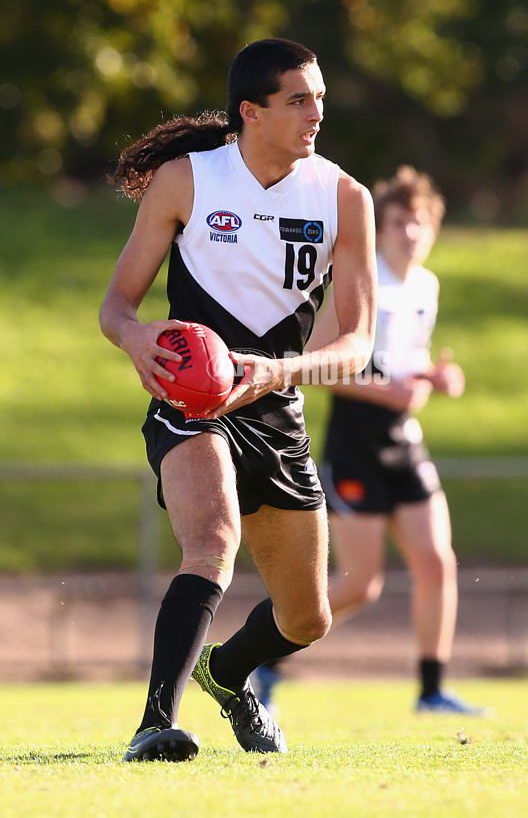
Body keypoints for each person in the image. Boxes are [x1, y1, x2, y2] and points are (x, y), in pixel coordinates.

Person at [99, 38, 377, 762]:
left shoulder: (345, 196)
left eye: (318, 96)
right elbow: (117, 307)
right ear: (251, 112)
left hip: (277, 409)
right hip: (189, 403)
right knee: (212, 541)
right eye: (298, 99)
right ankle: (154, 723)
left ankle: (225, 672)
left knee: (308, 618)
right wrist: (133, 341)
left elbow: (357, 346)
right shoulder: (185, 180)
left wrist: (277, 373)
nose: (317, 111)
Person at [254, 166, 488, 715]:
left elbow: (406, 369)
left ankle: (431, 691)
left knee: (437, 563)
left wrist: (432, 379)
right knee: (360, 586)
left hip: (405, 441)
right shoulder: (364, 281)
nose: (411, 232)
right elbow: (311, 365)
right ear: (381, 229)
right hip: (355, 444)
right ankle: (261, 655)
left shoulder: (426, 286)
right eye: (401, 221)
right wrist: (391, 393)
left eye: (421, 222)